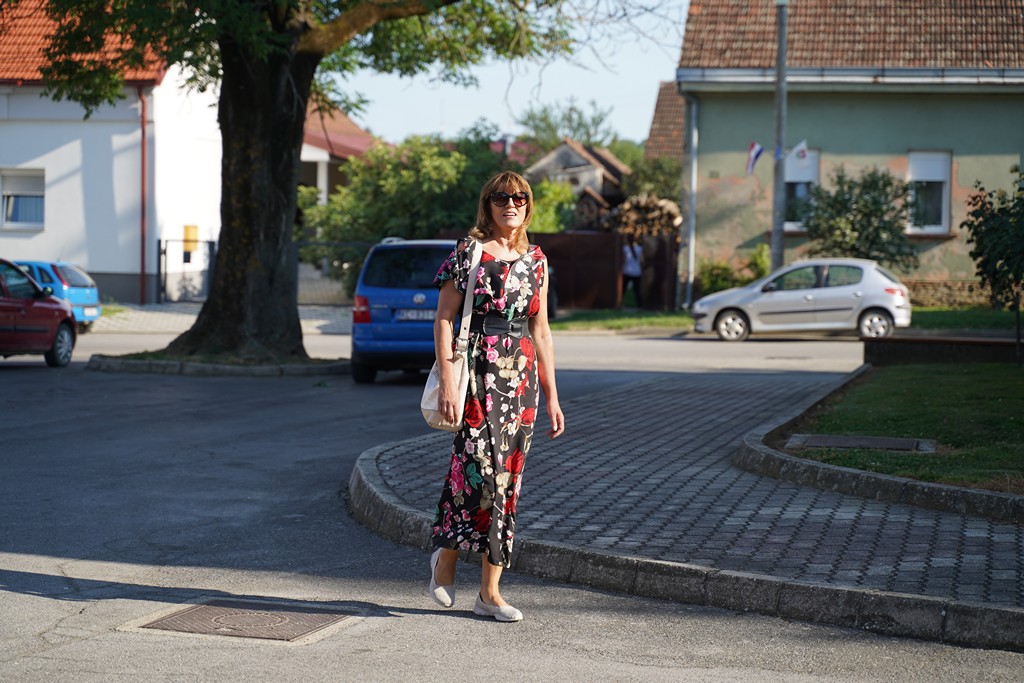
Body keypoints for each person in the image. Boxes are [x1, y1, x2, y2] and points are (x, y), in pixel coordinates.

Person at [428, 170, 565, 623]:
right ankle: (446, 557)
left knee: (507, 482)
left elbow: (541, 331)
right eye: (502, 198)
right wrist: (449, 382)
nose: (511, 205)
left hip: (520, 382)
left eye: (520, 198)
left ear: (529, 205)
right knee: (476, 472)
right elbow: (444, 318)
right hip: (477, 374)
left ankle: (489, 593)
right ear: (488, 204)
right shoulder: (468, 253)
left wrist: (552, 396)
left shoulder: (538, 262)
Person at [621, 236, 644, 308]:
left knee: (623, 289)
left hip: (627, 271)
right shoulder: (639, 248)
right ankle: (640, 305)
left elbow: (623, 259)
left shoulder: (625, 249)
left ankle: (619, 303)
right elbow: (642, 260)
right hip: (636, 272)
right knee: (637, 290)